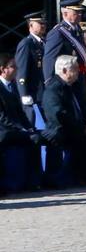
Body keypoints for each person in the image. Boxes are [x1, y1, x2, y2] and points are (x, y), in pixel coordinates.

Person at [43, 54, 86, 186]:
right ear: (64, 71)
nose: (79, 71)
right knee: (79, 138)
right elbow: (59, 115)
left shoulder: (76, 86)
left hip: (79, 126)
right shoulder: (53, 89)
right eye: (75, 68)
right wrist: (81, 128)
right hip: (62, 128)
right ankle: (80, 176)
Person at [0, 54, 43, 193]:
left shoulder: (12, 87)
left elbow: (20, 113)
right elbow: (2, 118)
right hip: (4, 131)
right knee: (31, 139)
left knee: (37, 136)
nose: (16, 69)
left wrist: (29, 127)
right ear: (3, 69)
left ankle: (34, 181)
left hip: (15, 129)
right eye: (12, 66)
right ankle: (27, 182)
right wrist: (21, 129)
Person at [15, 12, 46, 126]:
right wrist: (23, 93)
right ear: (31, 25)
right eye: (40, 23)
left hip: (44, 91)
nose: (43, 25)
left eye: (44, 23)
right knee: (33, 124)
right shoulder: (26, 44)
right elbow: (21, 70)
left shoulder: (43, 42)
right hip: (34, 92)